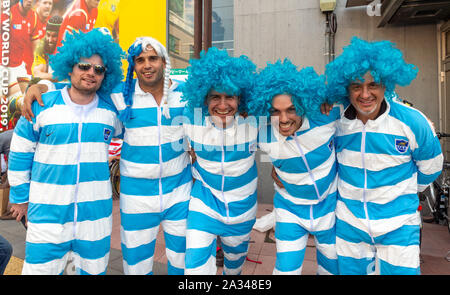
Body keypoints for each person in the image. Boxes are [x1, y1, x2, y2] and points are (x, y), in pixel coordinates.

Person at [21, 36, 192, 275]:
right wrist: (42, 87)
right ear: (133, 65)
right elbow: (78, 87)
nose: (147, 65)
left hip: (179, 191)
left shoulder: (187, 94)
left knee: (184, 260)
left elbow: (221, 101)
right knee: (136, 265)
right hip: (136, 195)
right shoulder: (119, 95)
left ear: (164, 62)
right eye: (140, 60)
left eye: (153, 58)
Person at [7, 28, 124, 275]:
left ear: (105, 75)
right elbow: (20, 150)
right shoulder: (41, 104)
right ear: (70, 67)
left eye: (99, 69)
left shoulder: (111, 113)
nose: (91, 73)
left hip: (95, 220)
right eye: (84, 66)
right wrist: (20, 196)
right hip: (47, 217)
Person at [325, 37, 443, 275]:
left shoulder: (412, 121)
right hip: (350, 226)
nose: (365, 94)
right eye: (357, 86)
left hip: (399, 227)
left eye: (373, 85)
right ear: (346, 89)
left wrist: (401, 190)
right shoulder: (335, 122)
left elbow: (431, 167)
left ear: (386, 84)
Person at [247, 59, 340, 275]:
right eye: (275, 111)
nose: (284, 119)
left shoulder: (326, 117)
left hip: (330, 209)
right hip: (290, 210)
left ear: (303, 103)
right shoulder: (261, 132)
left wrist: (330, 96)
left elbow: (362, 103)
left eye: (291, 109)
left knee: (331, 270)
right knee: (285, 271)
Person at [181, 47, 258, 275]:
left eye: (229, 97)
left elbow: (289, 134)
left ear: (240, 98)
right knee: (194, 266)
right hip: (204, 204)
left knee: (233, 269)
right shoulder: (190, 120)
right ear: (204, 98)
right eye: (216, 97)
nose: (223, 105)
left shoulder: (255, 124)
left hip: (242, 210)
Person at [32, 15, 63, 80]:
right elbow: (37, 74)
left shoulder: (69, 43)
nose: (50, 40)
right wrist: (62, 76)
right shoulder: (42, 45)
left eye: (54, 36)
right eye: (48, 35)